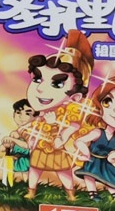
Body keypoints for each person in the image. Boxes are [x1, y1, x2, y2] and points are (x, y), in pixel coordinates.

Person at [20, 30, 94, 200]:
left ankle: (71, 195)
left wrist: (55, 127)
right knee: (35, 169)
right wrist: (27, 132)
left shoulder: (71, 117)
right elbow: (33, 128)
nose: (40, 89)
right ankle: (31, 191)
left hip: (57, 151)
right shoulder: (41, 114)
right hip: (40, 149)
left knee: (64, 172)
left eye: (57, 84)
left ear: (75, 96)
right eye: (37, 80)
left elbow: (66, 135)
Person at [0, 99, 38, 183]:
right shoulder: (17, 131)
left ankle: (28, 185)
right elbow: (8, 145)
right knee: (13, 172)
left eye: (27, 113)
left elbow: (27, 146)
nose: (21, 116)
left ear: (35, 117)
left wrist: (12, 139)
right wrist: (5, 145)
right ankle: (12, 184)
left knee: (25, 173)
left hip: (28, 158)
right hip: (16, 157)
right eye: (18, 112)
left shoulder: (32, 131)